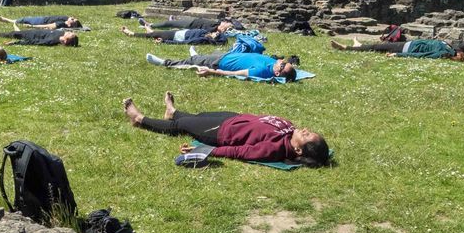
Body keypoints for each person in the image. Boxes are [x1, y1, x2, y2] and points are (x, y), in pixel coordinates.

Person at [123, 92, 330, 166]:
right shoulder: (289, 132)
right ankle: (172, 111)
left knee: (182, 126)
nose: (305, 130)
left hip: (222, 132)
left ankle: (138, 118)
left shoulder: (275, 149)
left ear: (299, 150)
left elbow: (239, 152)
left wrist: (205, 150)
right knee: (197, 117)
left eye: (308, 135)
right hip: (234, 119)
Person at [145, 49, 297, 81]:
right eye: (285, 62)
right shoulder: (274, 63)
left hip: (220, 63)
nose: (282, 62)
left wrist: (211, 72)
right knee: (202, 56)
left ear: (277, 73)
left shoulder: (263, 72)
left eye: (283, 65)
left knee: (190, 62)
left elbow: (235, 74)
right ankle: (197, 56)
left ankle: (165, 63)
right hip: (227, 55)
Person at [330, 38, 464, 61]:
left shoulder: (446, 51)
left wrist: (398, 55)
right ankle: (357, 45)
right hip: (409, 44)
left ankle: (347, 48)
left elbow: (424, 55)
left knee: (377, 47)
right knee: (377, 47)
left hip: (407, 47)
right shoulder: (447, 50)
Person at [0, 22, 78, 47]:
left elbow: (35, 42)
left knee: (13, 34)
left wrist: (15, 43)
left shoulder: (52, 41)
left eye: (69, 33)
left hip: (31, 35)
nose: (68, 32)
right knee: (17, 33)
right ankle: (15, 27)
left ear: (66, 40)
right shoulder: (61, 33)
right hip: (33, 31)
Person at [120, 26, 226, 45]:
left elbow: (185, 42)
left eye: (216, 34)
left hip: (176, 36)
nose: (215, 32)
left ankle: (131, 34)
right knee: (154, 33)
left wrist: (165, 42)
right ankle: (149, 30)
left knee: (154, 34)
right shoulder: (206, 33)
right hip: (179, 32)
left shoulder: (202, 39)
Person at [143, 17, 233, 33]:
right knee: (173, 24)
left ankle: (150, 25)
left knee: (169, 23)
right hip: (193, 21)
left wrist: (222, 29)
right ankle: (150, 25)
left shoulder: (214, 29)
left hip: (191, 24)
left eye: (226, 24)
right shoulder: (217, 23)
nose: (225, 22)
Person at [0, 15, 82, 29]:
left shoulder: (63, 24)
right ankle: (9, 20)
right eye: (73, 18)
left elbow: (49, 26)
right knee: (23, 20)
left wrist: (32, 27)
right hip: (43, 18)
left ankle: (7, 20)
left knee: (23, 20)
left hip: (41, 21)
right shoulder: (66, 18)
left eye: (73, 20)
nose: (72, 18)